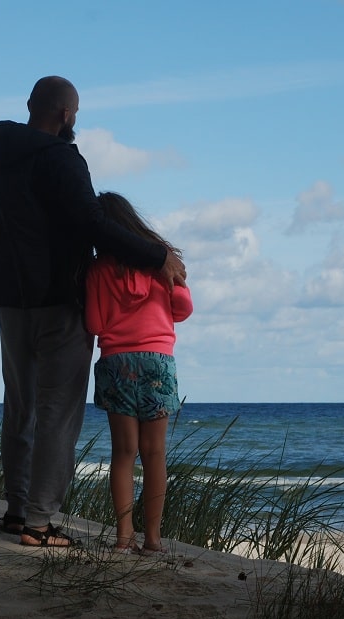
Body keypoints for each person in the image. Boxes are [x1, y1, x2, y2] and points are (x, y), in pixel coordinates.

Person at [0, 76, 186, 548]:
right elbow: (93, 222)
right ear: (65, 114)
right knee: (58, 413)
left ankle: (17, 512)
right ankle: (39, 524)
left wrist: (1, 272)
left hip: (12, 302)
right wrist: (155, 255)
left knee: (19, 409)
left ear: (30, 106)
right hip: (60, 302)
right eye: (76, 113)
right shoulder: (62, 158)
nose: (75, 120)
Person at [85, 192, 193, 555]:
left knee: (124, 453)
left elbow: (95, 323)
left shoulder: (99, 270)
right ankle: (153, 539)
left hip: (117, 363)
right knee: (155, 453)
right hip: (158, 362)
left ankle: (122, 538)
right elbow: (183, 309)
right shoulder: (161, 264)